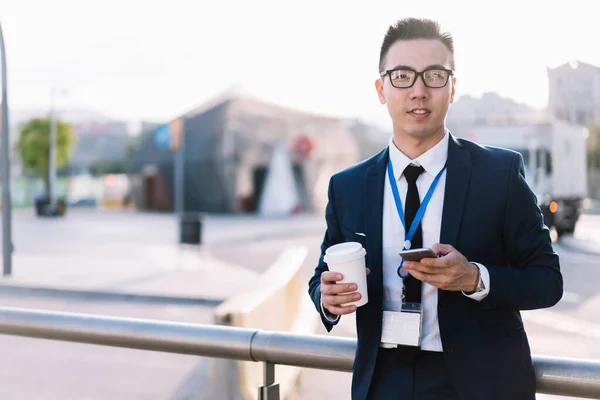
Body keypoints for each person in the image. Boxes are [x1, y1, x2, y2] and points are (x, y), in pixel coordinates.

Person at [308, 17, 563, 400]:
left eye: (434, 76)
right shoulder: (348, 186)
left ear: (453, 87)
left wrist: (474, 279)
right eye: (402, 76)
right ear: (381, 88)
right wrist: (326, 299)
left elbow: (548, 280)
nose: (419, 91)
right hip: (382, 381)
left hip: (481, 384)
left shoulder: (499, 174)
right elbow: (319, 278)